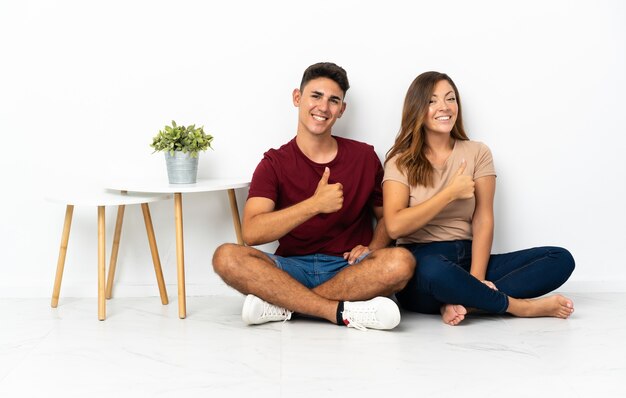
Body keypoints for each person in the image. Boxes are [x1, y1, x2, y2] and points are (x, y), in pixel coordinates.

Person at [212, 62, 415, 331]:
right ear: (298, 98)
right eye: (316, 96)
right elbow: (251, 232)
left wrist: (374, 248)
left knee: (402, 262)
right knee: (225, 257)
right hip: (290, 268)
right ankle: (337, 311)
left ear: (342, 110)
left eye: (334, 101)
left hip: (349, 268)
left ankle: (285, 306)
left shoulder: (364, 157)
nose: (323, 107)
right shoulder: (274, 162)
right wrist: (313, 205)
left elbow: (389, 219)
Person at [383, 71, 575, 326]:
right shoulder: (400, 161)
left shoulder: (477, 152)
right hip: (423, 264)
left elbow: (483, 217)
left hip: (468, 258)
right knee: (434, 270)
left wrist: (475, 278)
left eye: (450, 99)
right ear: (417, 108)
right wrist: (449, 194)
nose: (444, 107)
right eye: (432, 101)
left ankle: (467, 302)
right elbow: (395, 225)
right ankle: (518, 307)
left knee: (560, 259)